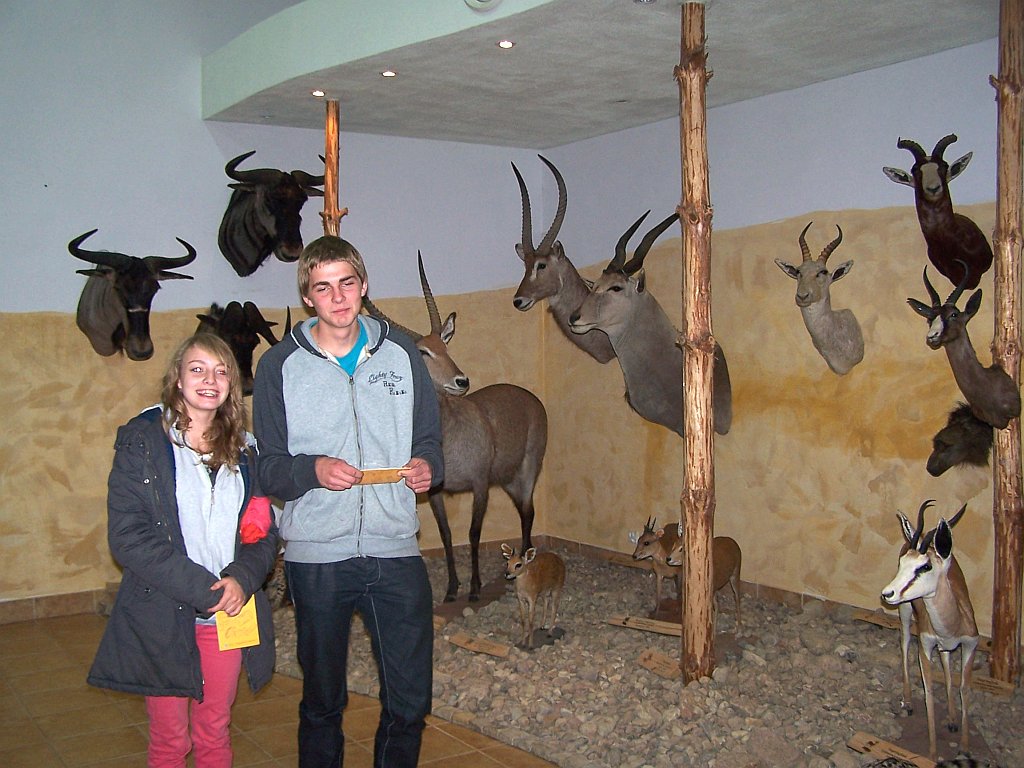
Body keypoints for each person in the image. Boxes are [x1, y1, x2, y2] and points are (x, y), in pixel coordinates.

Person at [252, 235, 444, 768]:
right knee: (322, 701)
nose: (337, 297)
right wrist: (310, 469)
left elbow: (429, 439)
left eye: (347, 283)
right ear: (307, 296)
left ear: (363, 286)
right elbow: (268, 467)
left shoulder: (401, 355)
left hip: (394, 549)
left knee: (410, 701)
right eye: (323, 287)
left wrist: (429, 466)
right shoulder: (279, 366)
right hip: (317, 556)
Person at [88, 333, 279, 768]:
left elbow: (262, 532)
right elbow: (129, 535)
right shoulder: (143, 441)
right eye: (198, 369)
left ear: (232, 384)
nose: (210, 380)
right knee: (170, 740)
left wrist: (242, 580)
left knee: (214, 730)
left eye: (221, 371)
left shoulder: (246, 449)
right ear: (177, 378)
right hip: (165, 613)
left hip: (226, 614)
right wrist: (204, 589)